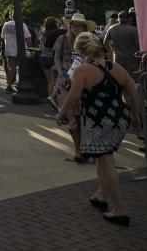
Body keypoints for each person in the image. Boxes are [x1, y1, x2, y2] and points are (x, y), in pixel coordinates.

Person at [57, 32, 140, 226]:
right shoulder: (116, 67)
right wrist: (135, 114)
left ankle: (119, 209)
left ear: (81, 51)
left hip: (97, 120)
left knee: (106, 161)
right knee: (103, 156)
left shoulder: (83, 71)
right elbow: (132, 91)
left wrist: (61, 113)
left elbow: (74, 96)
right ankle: (101, 195)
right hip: (118, 118)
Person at [53, 12, 95, 163]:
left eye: (80, 25)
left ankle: (88, 147)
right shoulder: (62, 39)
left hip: (85, 78)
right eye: (74, 25)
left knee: (86, 114)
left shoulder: (89, 40)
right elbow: (56, 58)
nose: (77, 28)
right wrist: (61, 75)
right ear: (70, 26)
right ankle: (79, 150)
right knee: (71, 114)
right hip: (66, 79)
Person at [1, 11, 31, 94]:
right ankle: (10, 86)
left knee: (11, 67)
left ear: (11, 16)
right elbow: (28, 38)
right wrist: (30, 50)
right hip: (19, 50)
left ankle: (10, 85)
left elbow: (3, 37)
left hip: (9, 49)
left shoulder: (6, 24)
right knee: (18, 68)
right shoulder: (22, 25)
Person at [104, 11, 140, 80]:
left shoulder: (111, 28)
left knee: (121, 81)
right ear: (129, 19)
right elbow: (138, 45)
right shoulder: (133, 30)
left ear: (118, 19)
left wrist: (112, 52)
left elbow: (105, 42)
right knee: (134, 82)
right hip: (132, 60)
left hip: (118, 59)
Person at [40, 17, 65, 104]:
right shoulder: (58, 33)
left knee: (49, 81)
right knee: (57, 81)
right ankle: (56, 99)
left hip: (43, 57)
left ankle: (51, 99)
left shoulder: (43, 34)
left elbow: (42, 46)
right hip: (53, 57)